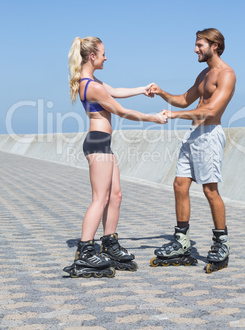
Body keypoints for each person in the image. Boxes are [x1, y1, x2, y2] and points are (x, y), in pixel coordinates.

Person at [63, 36, 167, 278]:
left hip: (104, 144)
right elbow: (120, 111)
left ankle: (108, 244)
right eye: (103, 53)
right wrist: (153, 118)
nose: (105, 57)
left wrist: (143, 89)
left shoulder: (92, 82)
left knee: (116, 195)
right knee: (100, 199)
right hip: (97, 143)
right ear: (92, 56)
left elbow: (117, 92)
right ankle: (85, 251)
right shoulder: (92, 86)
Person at [149, 28, 236, 273]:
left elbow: (211, 111)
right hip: (193, 135)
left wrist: (175, 115)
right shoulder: (204, 73)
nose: (195, 49)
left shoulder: (227, 74)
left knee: (210, 190)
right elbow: (185, 99)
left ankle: (222, 243)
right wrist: (162, 93)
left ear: (215, 45)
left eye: (200, 45)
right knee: (179, 185)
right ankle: (182, 242)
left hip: (209, 135)